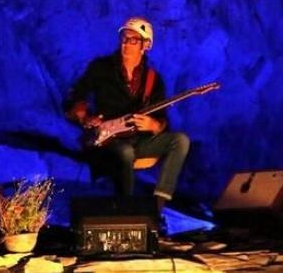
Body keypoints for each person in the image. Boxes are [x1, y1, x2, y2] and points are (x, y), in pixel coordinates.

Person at [63, 16, 190, 220]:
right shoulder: (101, 68)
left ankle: (156, 208)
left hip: (138, 140)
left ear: (145, 45)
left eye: (133, 40)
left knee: (180, 141)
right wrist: (85, 117)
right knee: (124, 151)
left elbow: (162, 120)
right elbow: (75, 97)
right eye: (124, 38)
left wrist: (154, 125)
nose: (126, 44)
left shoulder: (153, 79)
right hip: (105, 142)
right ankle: (126, 211)